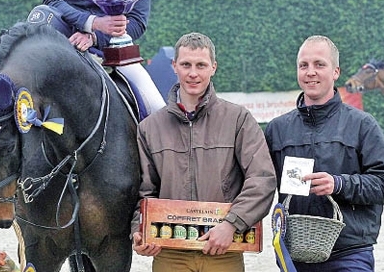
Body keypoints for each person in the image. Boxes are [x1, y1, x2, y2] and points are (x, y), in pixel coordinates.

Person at [131, 32, 277, 272]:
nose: (193, 73)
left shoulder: (238, 119)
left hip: (222, 250)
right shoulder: (149, 128)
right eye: (186, 64)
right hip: (170, 254)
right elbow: (144, 191)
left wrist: (231, 225)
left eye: (201, 65)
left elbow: (262, 179)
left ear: (214, 67)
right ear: (174, 66)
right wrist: (139, 230)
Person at [264, 35, 384, 272]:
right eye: (304, 65)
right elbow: (259, 183)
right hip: (294, 254)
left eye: (319, 64)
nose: (311, 72)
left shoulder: (363, 125)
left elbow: (381, 182)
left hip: (350, 254)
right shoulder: (277, 129)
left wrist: (339, 184)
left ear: (336, 71)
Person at [31, 0, 166, 117]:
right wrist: (92, 22)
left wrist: (95, 36)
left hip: (112, 50)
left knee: (156, 109)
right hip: (61, 41)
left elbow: (138, 21)